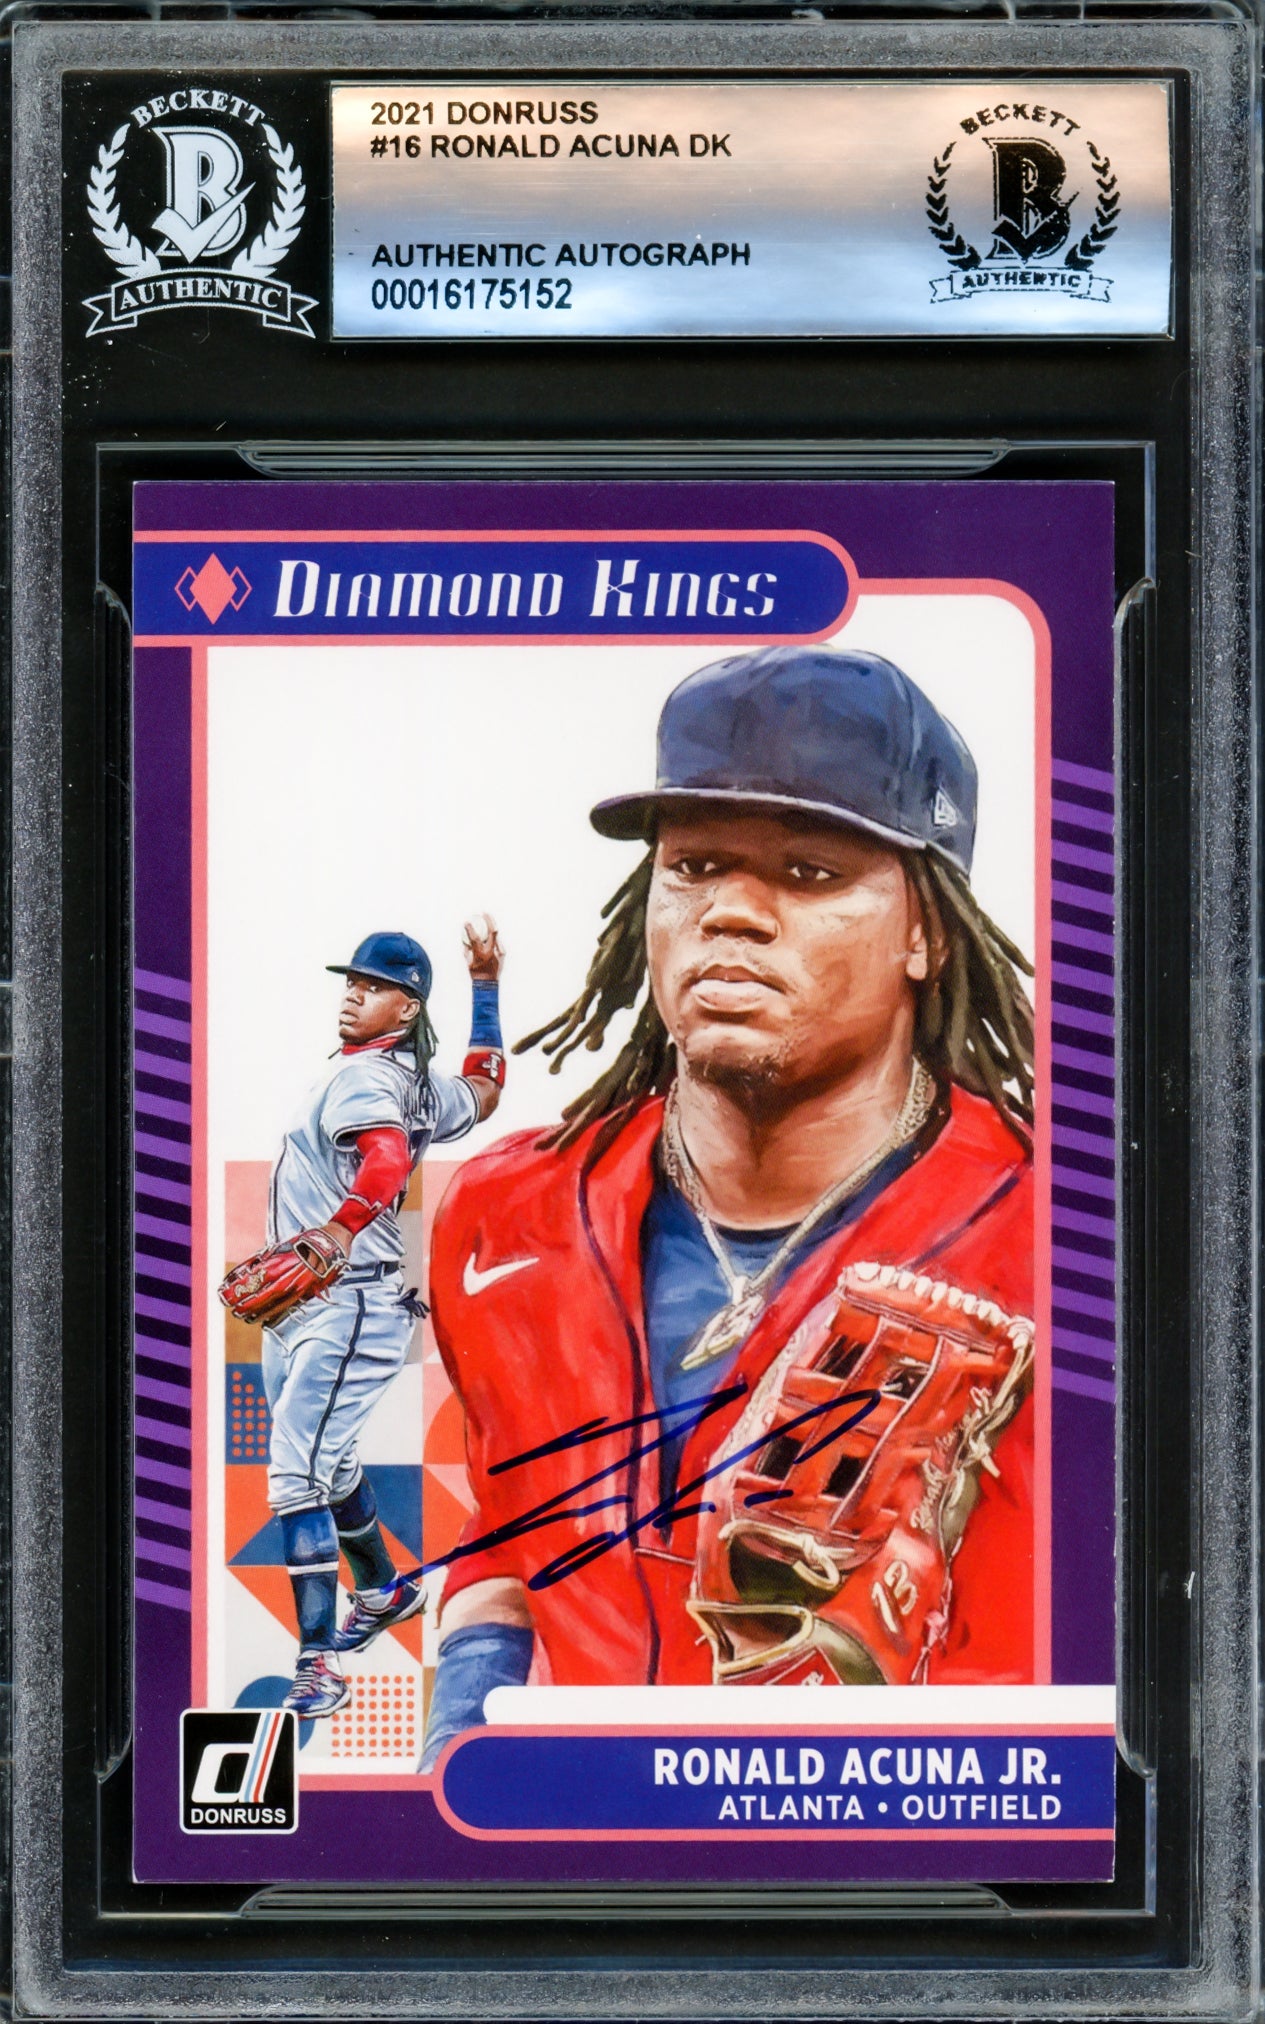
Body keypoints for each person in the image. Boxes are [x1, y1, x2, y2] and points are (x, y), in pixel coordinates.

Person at [418, 647, 1035, 1771]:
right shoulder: (506, 1211)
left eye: (807, 872)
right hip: (591, 1849)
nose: (732, 913)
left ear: (925, 933)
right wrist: (459, 1752)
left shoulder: (1062, 1241)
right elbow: (507, 1529)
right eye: (694, 865)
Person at [221, 921, 505, 1718]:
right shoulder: (414, 1083)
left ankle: (316, 1665)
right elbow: (484, 1087)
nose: (352, 994)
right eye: (350, 982)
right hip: (316, 1304)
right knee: (328, 1461)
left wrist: (341, 1230)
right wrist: (486, 985)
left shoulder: (366, 1081)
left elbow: (384, 1158)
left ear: (406, 1009)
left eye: (373, 986)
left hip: (346, 1302)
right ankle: (382, 1590)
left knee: (294, 1476)